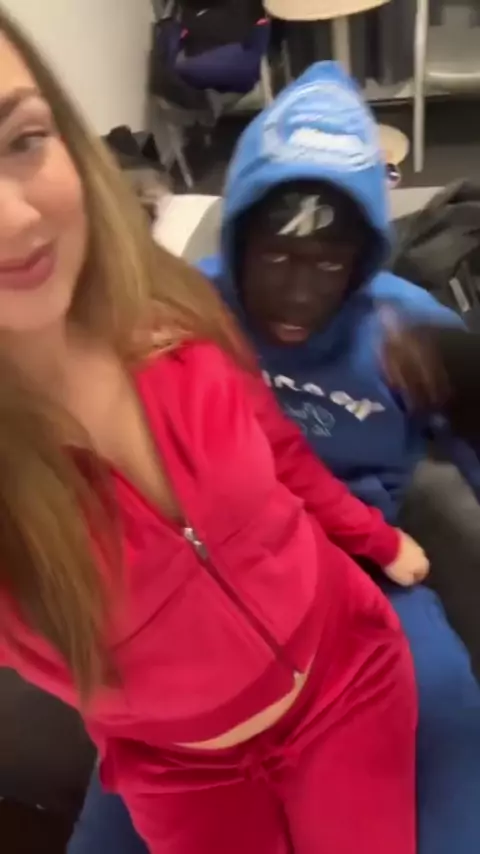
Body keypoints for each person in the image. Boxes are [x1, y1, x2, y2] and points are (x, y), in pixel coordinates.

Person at [0, 12, 424, 854]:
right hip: (182, 771)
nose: (14, 220)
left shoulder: (175, 305)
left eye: (21, 140)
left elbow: (283, 452)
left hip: (350, 675)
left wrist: (374, 539)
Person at [69, 65, 480, 854]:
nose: (297, 294)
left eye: (327, 264)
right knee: (136, 758)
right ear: (240, 242)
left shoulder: (405, 326)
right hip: (212, 570)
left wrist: (462, 383)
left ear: (362, 259)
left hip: (363, 569)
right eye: (277, 258)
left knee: (446, 704)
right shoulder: (183, 308)